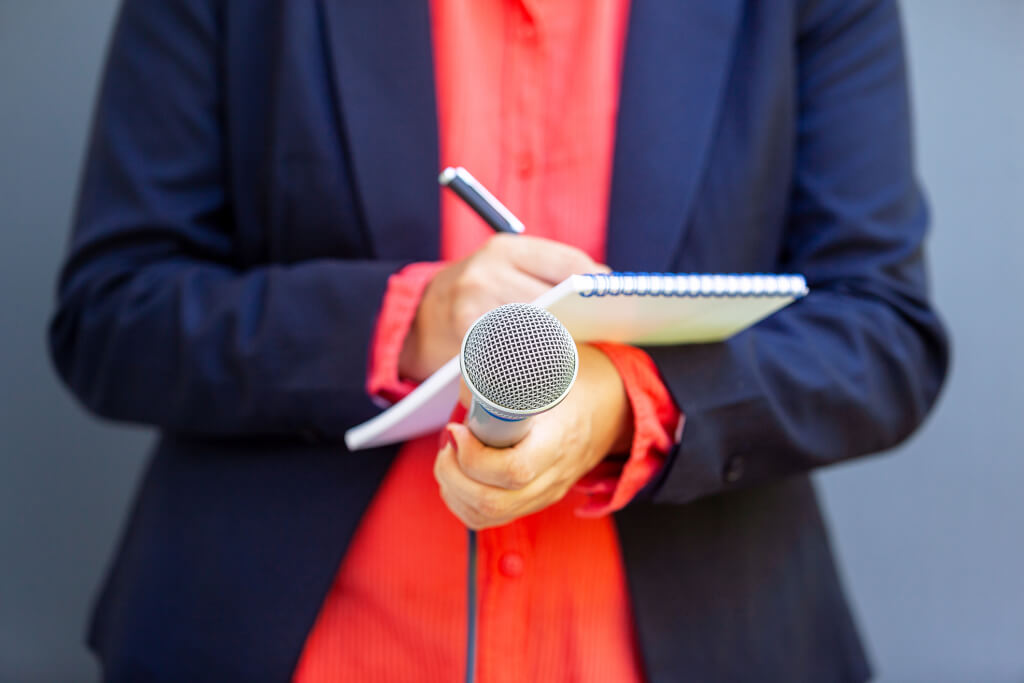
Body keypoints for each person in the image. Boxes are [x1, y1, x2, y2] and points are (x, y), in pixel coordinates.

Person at [50, 0, 949, 681]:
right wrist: (409, 320)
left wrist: (622, 402)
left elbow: (884, 334)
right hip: (300, 642)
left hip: (704, 638)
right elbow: (111, 314)